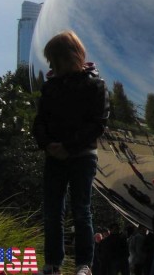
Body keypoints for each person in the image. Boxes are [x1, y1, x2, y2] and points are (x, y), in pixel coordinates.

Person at [32, 30, 109, 275]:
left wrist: (67, 147)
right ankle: (53, 263)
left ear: (70, 57)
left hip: (82, 156)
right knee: (52, 211)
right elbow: (39, 122)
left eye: (56, 60)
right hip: (56, 155)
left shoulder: (95, 85)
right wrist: (47, 145)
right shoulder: (50, 87)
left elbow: (98, 123)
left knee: (81, 210)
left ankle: (83, 265)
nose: (53, 66)